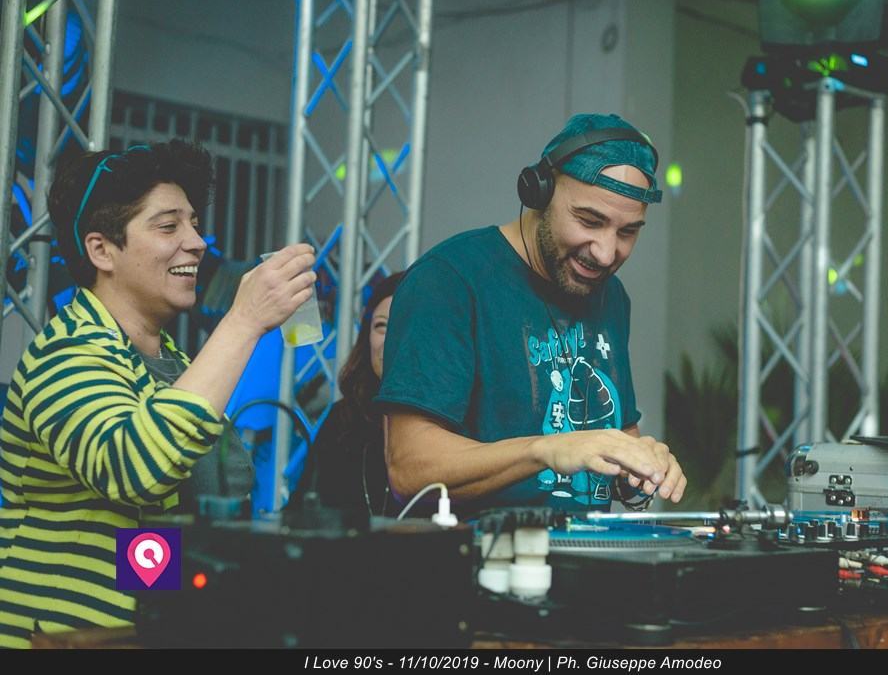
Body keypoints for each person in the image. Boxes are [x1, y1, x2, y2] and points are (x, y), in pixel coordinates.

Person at [0, 141, 316, 648]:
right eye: (169, 227)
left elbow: (163, 524)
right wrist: (243, 320)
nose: (197, 242)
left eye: (194, 224)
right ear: (102, 250)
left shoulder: (171, 363)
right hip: (60, 643)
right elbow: (136, 470)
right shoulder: (65, 355)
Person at [377, 113, 687, 515]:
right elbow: (409, 467)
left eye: (627, 232)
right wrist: (545, 450)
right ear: (540, 192)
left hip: (585, 552)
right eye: (589, 221)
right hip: (476, 552)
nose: (606, 253)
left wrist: (641, 468)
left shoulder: (610, 296)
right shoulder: (449, 280)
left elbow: (615, 436)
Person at [290, 271, 405, 518]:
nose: (390, 341)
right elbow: (303, 511)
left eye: (405, 326)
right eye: (382, 326)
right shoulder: (343, 419)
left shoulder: (454, 422)